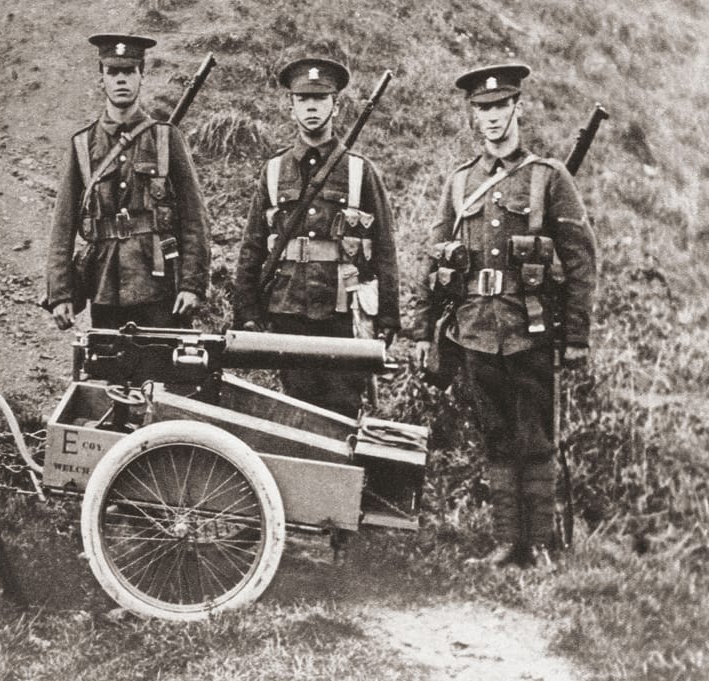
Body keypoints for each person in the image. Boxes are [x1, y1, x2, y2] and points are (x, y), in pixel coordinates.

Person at [407, 64, 597, 567]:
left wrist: (576, 335)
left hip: (528, 328)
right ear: (473, 115)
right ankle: (505, 541)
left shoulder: (546, 178)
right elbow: (435, 255)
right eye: (482, 109)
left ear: (518, 107)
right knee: (494, 437)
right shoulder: (460, 183)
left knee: (535, 438)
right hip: (474, 330)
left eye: (499, 107)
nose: (491, 118)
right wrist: (422, 329)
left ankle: (539, 544)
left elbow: (580, 257)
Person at [231, 58, 400, 417]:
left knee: (342, 412)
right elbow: (253, 244)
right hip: (287, 308)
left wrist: (388, 317)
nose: (311, 107)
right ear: (290, 106)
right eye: (302, 99)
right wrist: (246, 308)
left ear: (335, 106)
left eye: (320, 99)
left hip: (342, 312)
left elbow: (385, 247)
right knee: (295, 411)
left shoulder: (359, 171)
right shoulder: (274, 170)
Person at [45, 33, 211, 330]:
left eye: (129, 72)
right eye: (113, 72)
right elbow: (63, 225)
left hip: (160, 289)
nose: (121, 80)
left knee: (162, 374)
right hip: (105, 287)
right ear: (102, 80)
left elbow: (194, 219)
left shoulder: (165, 138)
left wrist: (192, 285)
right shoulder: (84, 145)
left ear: (141, 77)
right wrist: (60, 294)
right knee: (106, 373)